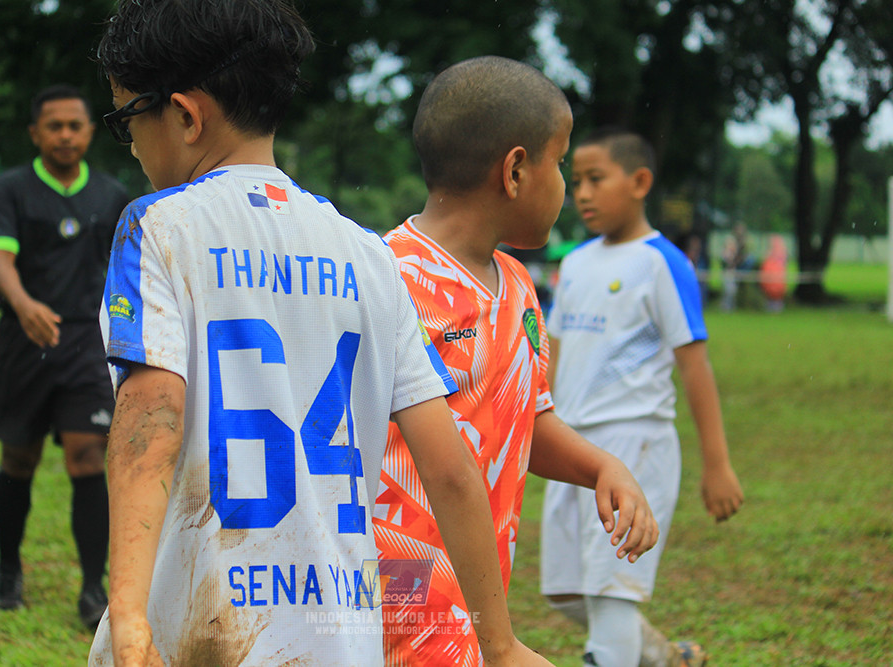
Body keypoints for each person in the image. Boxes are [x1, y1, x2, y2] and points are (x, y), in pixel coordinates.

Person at [89, 3, 555, 666]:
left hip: (197, 629)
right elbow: (451, 471)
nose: (130, 143)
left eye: (127, 118)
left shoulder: (157, 230)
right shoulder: (368, 256)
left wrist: (130, 614)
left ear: (187, 116)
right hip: (339, 638)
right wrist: (500, 644)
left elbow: (151, 423)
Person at [373, 57, 660, 666]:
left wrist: (600, 467)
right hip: (399, 595)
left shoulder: (519, 287)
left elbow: (523, 425)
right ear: (517, 169)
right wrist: (500, 646)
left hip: (476, 603)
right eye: (560, 163)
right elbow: (442, 467)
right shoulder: (386, 280)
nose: (567, 186)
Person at [540, 127, 745, 667]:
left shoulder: (662, 263)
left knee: (611, 596)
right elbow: (554, 355)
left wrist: (718, 465)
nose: (581, 192)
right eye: (576, 179)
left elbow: (694, 366)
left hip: (635, 444)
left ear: (639, 182)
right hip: (574, 449)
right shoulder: (577, 263)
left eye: (596, 179)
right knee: (564, 590)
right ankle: (665, 658)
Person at [0, 84, 130, 628]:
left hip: (86, 347)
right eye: (54, 126)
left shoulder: (113, 196)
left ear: (90, 132)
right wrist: (22, 304)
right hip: (24, 343)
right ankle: (7, 571)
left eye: (75, 125)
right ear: (35, 133)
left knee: (88, 457)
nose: (65, 135)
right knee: (18, 459)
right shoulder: (12, 189)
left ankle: (94, 589)